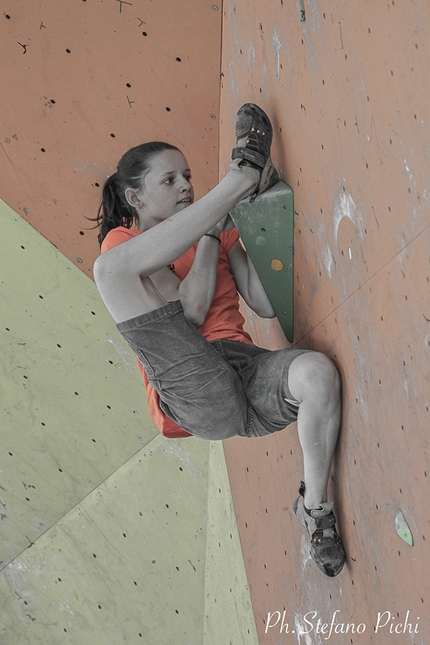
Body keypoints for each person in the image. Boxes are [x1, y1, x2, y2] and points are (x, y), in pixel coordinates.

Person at [93, 103, 346, 577]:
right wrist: (212, 232)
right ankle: (241, 173)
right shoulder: (123, 243)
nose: (186, 185)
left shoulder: (218, 235)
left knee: (316, 372)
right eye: (168, 180)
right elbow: (187, 313)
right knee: (107, 272)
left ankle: (316, 511)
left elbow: (264, 304)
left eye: (187, 175)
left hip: (242, 373)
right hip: (191, 387)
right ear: (135, 196)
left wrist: (255, 225)